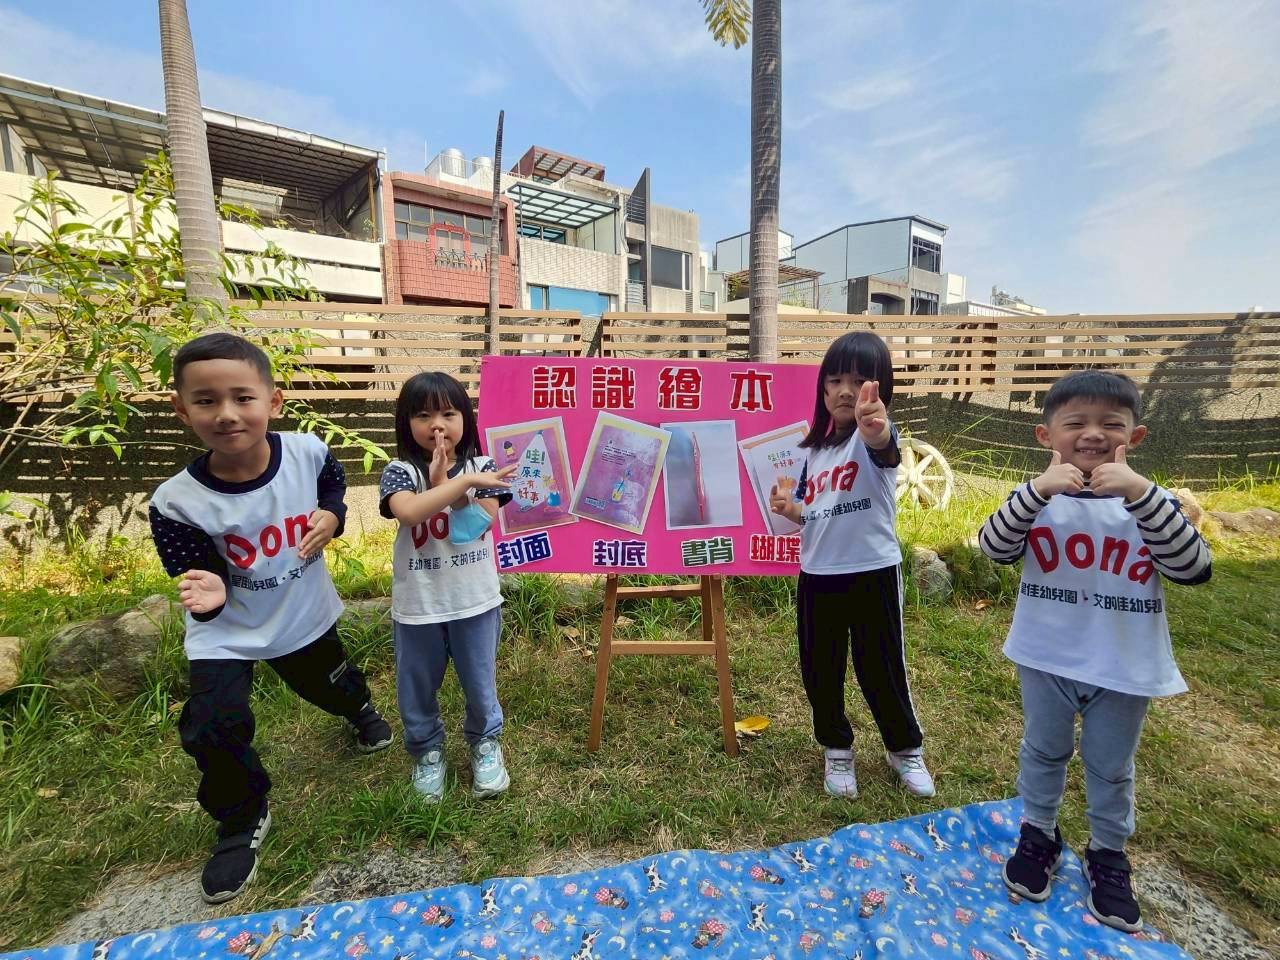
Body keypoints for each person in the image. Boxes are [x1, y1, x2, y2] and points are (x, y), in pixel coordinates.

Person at [149, 332, 393, 905]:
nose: (227, 413)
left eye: (242, 397)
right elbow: (191, 566)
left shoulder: (306, 452)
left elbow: (332, 483)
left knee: (330, 685)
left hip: (300, 615)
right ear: (182, 410)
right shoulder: (175, 501)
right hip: (225, 631)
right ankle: (241, 820)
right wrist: (209, 587)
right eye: (206, 401)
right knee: (212, 726)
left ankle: (358, 708)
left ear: (273, 401)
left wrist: (333, 515)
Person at [978, 370, 1211, 932]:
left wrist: (1140, 493)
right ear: (1046, 436)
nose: (1093, 434)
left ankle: (1108, 854)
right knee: (1043, 751)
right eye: (1076, 423)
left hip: (1123, 666)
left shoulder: (1153, 504)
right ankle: (1039, 835)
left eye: (1111, 423)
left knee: (1110, 766)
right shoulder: (1035, 500)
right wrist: (1038, 490)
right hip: (1045, 657)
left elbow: (1194, 569)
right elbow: (994, 547)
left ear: (1136, 435)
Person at [769, 332, 935, 799]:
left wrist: (875, 425)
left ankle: (904, 749)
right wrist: (789, 509)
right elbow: (814, 513)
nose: (846, 390)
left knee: (881, 667)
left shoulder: (874, 438)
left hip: (872, 572)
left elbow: (884, 444)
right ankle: (836, 749)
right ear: (822, 388)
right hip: (818, 575)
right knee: (820, 670)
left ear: (880, 389)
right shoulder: (812, 452)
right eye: (836, 380)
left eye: (861, 380)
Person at [379, 372, 515, 803]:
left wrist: (451, 484)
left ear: (465, 420)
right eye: (423, 415)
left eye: (448, 413)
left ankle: (485, 743)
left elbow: (473, 525)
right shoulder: (400, 472)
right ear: (406, 424)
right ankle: (427, 750)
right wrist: (455, 484)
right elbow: (409, 513)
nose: (436, 424)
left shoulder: (484, 468)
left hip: (475, 602)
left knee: (480, 682)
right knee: (416, 685)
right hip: (418, 606)